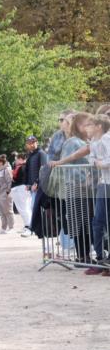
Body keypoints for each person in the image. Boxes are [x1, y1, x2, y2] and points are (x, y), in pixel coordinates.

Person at [51, 113, 110, 274]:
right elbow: (75, 157)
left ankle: (94, 258)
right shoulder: (83, 142)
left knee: (92, 221)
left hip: (95, 186)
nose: (86, 127)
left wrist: (95, 169)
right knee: (87, 221)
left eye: (89, 124)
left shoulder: (99, 140)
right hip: (89, 186)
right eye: (85, 124)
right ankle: (91, 257)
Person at [0, 155, 15, 234]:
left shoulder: (7, 169)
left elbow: (10, 182)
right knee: (1, 211)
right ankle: (3, 228)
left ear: (1, 162)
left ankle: (11, 227)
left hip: (5, 193)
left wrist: (8, 192)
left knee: (8, 211)